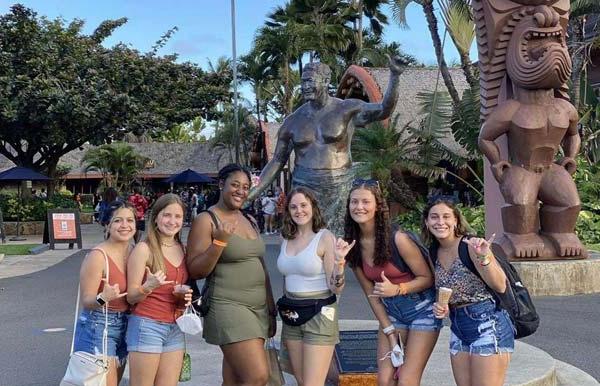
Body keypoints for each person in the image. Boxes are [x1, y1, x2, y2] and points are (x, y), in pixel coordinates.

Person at [248, 57, 407, 235]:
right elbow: (277, 161)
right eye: (302, 82)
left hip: (339, 184)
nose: (305, 86)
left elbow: (384, 109)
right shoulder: (292, 121)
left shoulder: (347, 109)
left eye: (309, 81)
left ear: (325, 81)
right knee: (305, 238)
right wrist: (253, 192)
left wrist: (394, 76)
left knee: (340, 239)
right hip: (304, 184)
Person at [344, 180, 442, 386]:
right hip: (392, 313)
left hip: (421, 310)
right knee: (385, 379)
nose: (359, 207)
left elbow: (427, 278)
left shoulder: (398, 239)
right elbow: (371, 294)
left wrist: (397, 289)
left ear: (378, 206)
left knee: (406, 380)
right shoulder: (353, 244)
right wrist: (388, 330)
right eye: (354, 202)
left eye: (365, 201)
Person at [186, 164, 275, 386]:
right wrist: (219, 241)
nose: (241, 191)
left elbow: (260, 265)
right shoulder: (207, 220)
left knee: (235, 379)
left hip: (257, 309)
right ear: (221, 184)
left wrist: (270, 307)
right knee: (258, 376)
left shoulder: (250, 220)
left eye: (245, 187)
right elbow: (196, 270)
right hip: (228, 306)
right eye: (235, 185)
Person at [424, 196, 513, 386]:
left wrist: (484, 257)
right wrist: (443, 307)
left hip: (488, 323)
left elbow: (500, 285)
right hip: (458, 326)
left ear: (455, 220)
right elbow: (447, 291)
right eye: (434, 217)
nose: (440, 222)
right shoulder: (433, 252)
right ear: (426, 222)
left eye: (446, 216)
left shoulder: (471, 245)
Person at [277, 187, 354, 386]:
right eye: (293, 207)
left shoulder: (324, 237)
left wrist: (339, 263)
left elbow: (336, 288)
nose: (299, 211)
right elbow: (287, 278)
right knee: (302, 380)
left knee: (313, 383)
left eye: (304, 205)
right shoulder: (284, 237)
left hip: (320, 312)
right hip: (291, 313)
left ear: (313, 207)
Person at [126, 193, 193, 386]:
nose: (172, 221)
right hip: (147, 325)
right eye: (167, 215)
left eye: (177, 216)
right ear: (155, 217)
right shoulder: (144, 249)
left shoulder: (183, 248)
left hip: (176, 326)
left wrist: (185, 297)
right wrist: (148, 286)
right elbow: (131, 296)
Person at [72, 201, 136, 386]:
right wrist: (103, 297)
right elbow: (87, 300)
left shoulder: (134, 252)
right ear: (107, 224)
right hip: (99, 325)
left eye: (129, 220)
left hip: (127, 323)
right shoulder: (98, 256)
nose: (125, 225)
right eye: (118, 220)